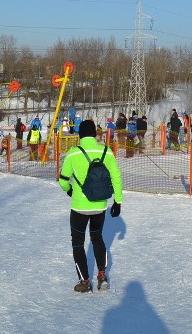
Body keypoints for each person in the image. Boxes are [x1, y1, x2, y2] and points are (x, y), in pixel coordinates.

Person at [58, 119, 123, 292]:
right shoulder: (106, 152)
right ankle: (102, 275)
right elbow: (116, 177)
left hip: (79, 206)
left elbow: (63, 180)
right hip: (99, 205)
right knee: (97, 237)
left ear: (80, 135)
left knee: (78, 243)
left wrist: (70, 191)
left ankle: (85, 281)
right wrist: (118, 201)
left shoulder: (73, 153)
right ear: (96, 134)